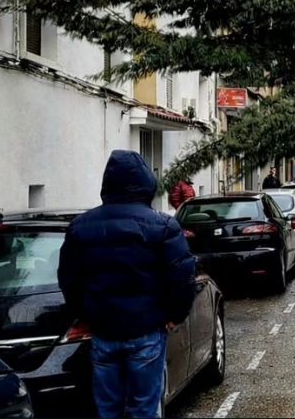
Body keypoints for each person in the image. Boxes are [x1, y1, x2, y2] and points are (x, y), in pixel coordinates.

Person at [58, 150, 196, 419]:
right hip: (146, 330)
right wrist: (174, 315)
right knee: (144, 408)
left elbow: (69, 279)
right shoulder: (163, 226)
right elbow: (182, 275)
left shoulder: (81, 227)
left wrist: (85, 315)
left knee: (107, 409)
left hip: (103, 332)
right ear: (145, 184)